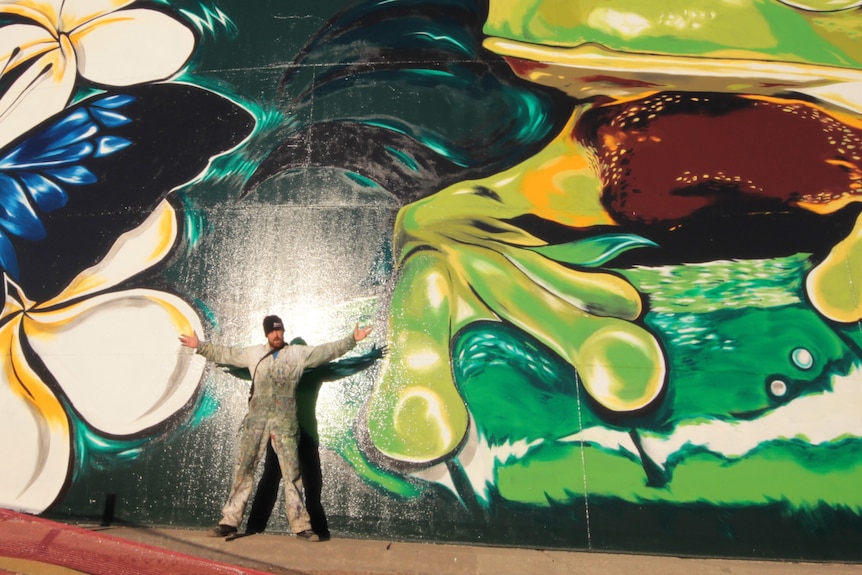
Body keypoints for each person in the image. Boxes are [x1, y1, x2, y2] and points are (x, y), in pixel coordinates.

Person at [178, 315, 373, 541]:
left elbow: (326, 352)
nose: (276, 334)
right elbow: (227, 354)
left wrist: (352, 339)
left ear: (283, 331)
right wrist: (200, 346)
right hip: (256, 421)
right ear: (266, 333)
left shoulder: (297, 354)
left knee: (292, 473)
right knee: (244, 469)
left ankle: (301, 525)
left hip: (285, 422)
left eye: (279, 330)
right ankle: (229, 521)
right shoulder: (254, 354)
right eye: (272, 331)